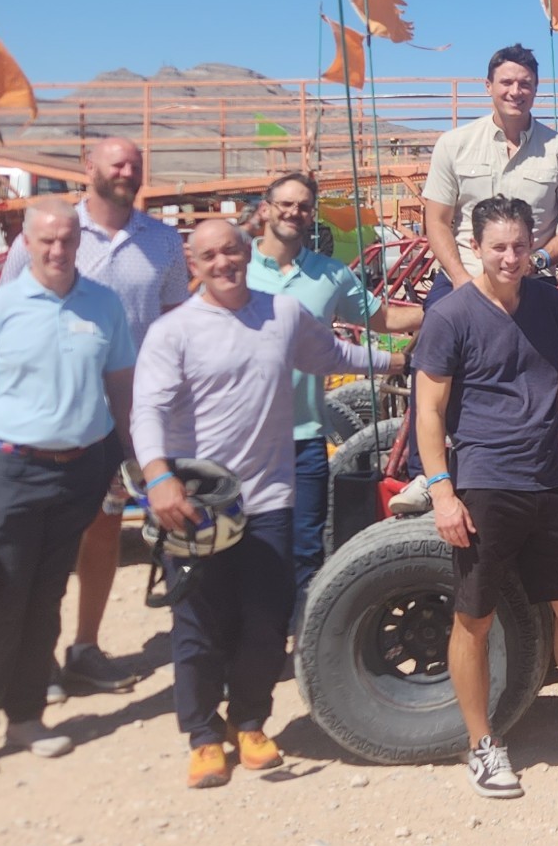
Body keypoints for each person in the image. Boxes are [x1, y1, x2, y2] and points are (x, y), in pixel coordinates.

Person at [136, 219, 400, 788]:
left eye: (231, 251)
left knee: (265, 618)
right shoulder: (172, 331)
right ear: (194, 265)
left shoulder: (282, 314)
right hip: (198, 502)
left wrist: (400, 364)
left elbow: (332, 355)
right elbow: (148, 409)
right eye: (210, 256)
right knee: (199, 622)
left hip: (269, 497)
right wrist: (158, 478)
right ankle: (203, 735)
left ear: (246, 251)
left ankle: (249, 721)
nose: (223, 263)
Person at [414, 195, 558, 798]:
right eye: (499, 247)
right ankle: (482, 744)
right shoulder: (450, 316)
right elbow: (428, 411)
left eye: (519, 245)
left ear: (532, 243)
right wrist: (441, 491)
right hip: (484, 482)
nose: (511, 258)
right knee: (474, 616)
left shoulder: (548, 304)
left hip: (549, 477)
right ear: (476, 248)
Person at [0, 200, 137, 778]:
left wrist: (134, 461)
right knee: (6, 599)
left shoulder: (104, 305)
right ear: (26, 243)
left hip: (82, 469)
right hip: (14, 470)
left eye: (67, 240)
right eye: (46, 240)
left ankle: (26, 718)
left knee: (47, 596)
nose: (57, 250)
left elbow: (122, 391)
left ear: (79, 242)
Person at [0, 137, 189, 697]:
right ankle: (35, 656)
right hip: (51, 415)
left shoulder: (163, 242)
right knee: (46, 539)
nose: (127, 171)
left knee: (103, 530)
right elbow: (6, 315)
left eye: (136, 163)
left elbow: (175, 325)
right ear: (89, 168)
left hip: (126, 414)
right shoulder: (50, 231)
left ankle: (84, 647)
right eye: (116, 163)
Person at [248, 171, 422, 622]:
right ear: (266, 209)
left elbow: (383, 319)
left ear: (311, 216)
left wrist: (446, 310)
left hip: (304, 435)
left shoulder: (330, 276)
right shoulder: (236, 269)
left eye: (303, 206)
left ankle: (298, 642)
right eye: (285, 204)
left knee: (305, 547)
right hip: (241, 438)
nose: (294, 213)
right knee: (243, 544)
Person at [421, 43, 558, 298]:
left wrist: (536, 260)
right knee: (437, 321)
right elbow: (436, 221)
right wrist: (460, 279)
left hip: (532, 280)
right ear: (488, 86)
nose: (515, 91)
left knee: (555, 322)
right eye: (506, 82)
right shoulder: (453, 145)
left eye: (525, 84)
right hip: (464, 276)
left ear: (536, 88)